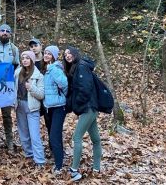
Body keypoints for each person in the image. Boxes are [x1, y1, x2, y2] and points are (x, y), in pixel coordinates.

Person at [65, 47, 102, 181]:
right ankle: (97, 168)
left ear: (75, 53)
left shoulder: (81, 67)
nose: (67, 56)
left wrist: (78, 104)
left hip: (88, 108)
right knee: (96, 139)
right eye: (65, 54)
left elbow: (85, 89)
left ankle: (74, 170)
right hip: (90, 107)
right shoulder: (78, 67)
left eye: (69, 53)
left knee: (76, 137)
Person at [0, 23, 20, 151]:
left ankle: (9, 141)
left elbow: (17, 67)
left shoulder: (14, 49)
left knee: (7, 115)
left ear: (10, 34)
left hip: (6, 86)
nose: (4, 33)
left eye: (7, 31)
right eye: (2, 30)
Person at [14, 51, 46, 167]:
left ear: (32, 60)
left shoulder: (39, 76)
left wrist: (31, 87)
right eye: (23, 58)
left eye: (28, 58)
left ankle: (40, 161)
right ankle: (29, 155)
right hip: (19, 105)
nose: (25, 60)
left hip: (32, 107)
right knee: (23, 134)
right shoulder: (17, 73)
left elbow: (41, 95)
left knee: (35, 135)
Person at [42, 45, 68, 174]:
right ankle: (59, 158)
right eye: (45, 53)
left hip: (58, 107)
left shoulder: (54, 69)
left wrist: (61, 97)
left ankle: (59, 166)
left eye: (49, 53)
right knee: (55, 135)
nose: (46, 55)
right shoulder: (47, 68)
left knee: (54, 136)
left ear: (54, 56)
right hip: (49, 107)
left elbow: (64, 84)